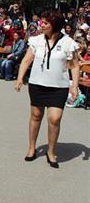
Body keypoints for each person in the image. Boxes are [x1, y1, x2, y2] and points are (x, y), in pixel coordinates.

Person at [15, 11, 80, 168]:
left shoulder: (67, 42)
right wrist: (19, 79)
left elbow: (75, 65)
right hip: (38, 84)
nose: (41, 25)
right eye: (41, 22)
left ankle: (51, 152)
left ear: (55, 25)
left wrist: (74, 86)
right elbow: (26, 60)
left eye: (45, 23)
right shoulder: (36, 40)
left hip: (59, 87)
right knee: (36, 116)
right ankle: (32, 148)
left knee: (55, 118)